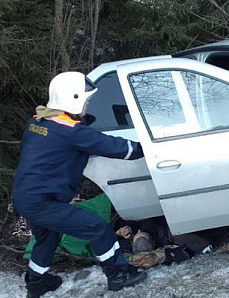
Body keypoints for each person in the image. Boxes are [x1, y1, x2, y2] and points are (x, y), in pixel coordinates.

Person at [12, 72, 147, 297]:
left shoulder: (37, 121)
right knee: (97, 228)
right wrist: (148, 148)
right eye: (85, 99)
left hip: (25, 196)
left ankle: (36, 282)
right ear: (72, 99)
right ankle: (119, 275)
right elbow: (118, 148)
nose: (87, 104)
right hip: (43, 202)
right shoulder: (72, 132)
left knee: (47, 237)